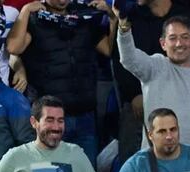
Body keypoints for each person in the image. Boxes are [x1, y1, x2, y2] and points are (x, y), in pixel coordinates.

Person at [7, 0, 115, 163]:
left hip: (85, 113)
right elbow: (14, 47)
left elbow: (108, 49)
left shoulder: (84, 18)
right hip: (50, 116)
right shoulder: (35, 19)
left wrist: (113, 18)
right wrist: (25, 11)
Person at [114, 6, 190, 167]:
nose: (179, 43)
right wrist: (123, 26)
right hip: (157, 167)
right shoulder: (155, 66)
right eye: (172, 38)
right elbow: (129, 58)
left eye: (185, 37)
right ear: (163, 43)